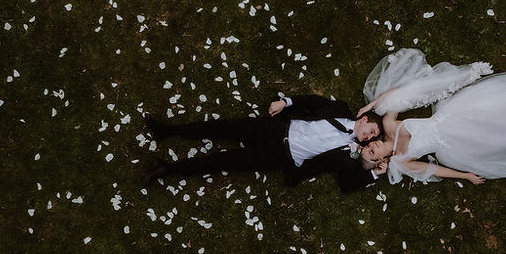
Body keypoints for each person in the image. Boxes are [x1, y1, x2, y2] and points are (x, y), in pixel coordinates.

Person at [357, 48, 506, 185]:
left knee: (497, 108)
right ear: (379, 160)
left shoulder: (389, 124)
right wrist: (464, 175)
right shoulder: (401, 162)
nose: (372, 143)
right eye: (371, 150)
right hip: (453, 143)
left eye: (368, 144)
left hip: (449, 118)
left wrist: (373, 105)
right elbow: (433, 170)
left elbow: (400, 94)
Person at [143, 95, 388, 193]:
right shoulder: (340, 109)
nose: (368, 137)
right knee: (220, 128)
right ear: (364, 119)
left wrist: (374, 174)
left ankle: (167, 168)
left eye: (371, 138)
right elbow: (312, 101)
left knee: (220, 161)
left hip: (277, 156)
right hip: (274, 128)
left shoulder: (351, 154)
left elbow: (347, 184)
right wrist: (286, 102)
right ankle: (167, 131)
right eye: (371, 131)